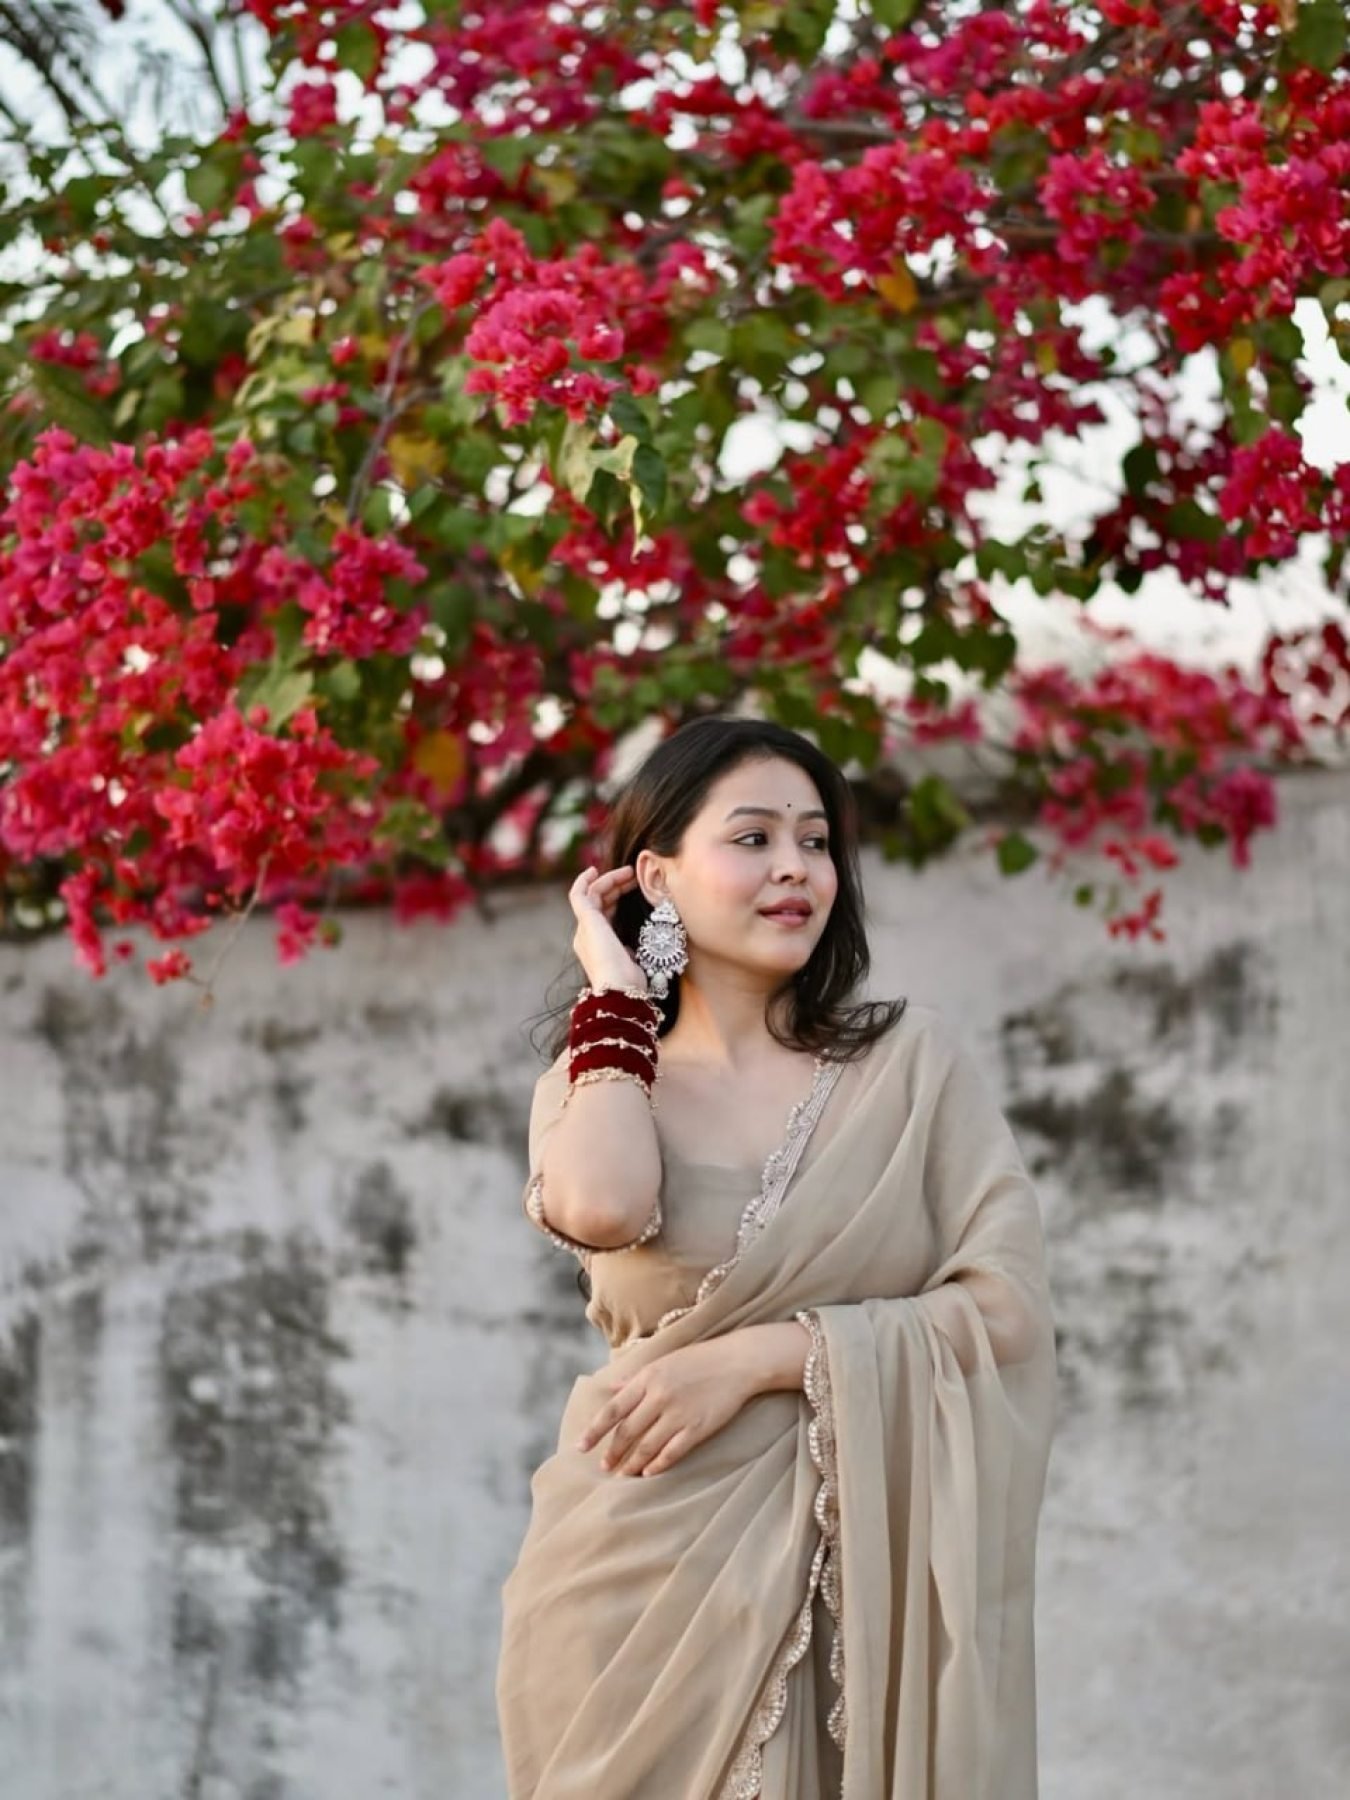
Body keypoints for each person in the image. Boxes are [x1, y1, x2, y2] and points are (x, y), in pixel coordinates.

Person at [496, 716, 1058, 1799]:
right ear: (656, 875)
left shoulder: (909, 1071)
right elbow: (605, 1207)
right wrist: (616, 999)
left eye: (815, 840)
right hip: (632, 1589)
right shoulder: (600, 1075)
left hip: (861, 1593)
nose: (796, 867)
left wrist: (759, 1358)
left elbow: (1007, 1310)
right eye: (753, 838)